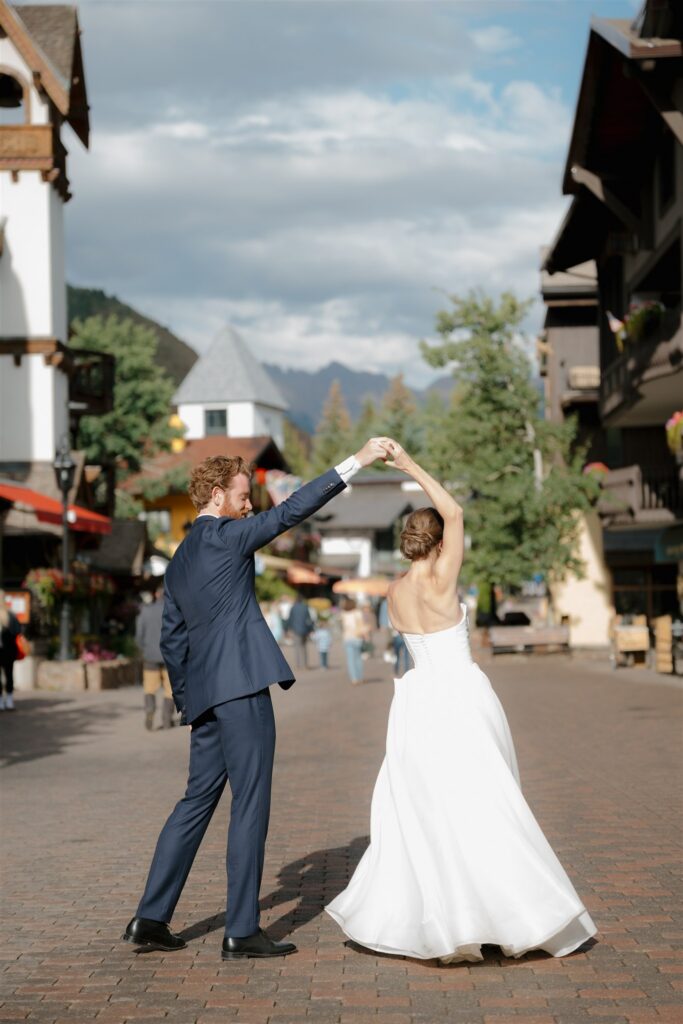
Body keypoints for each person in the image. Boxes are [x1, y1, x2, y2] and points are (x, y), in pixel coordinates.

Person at [326, 439, 596, 964]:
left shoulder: (394, 593)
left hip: (417, 701)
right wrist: (407, 464)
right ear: (439, 541)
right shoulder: (443, 579)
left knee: (432, 812)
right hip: (462, 695)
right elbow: (455, 509)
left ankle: (451, 920)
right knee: (488, 799)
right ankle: (509, 913)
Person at [123, 438, 391, 960]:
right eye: (245, 497)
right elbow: (292, 511)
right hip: (242, 689)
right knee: (249, 804)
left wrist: (191, 698)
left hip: (205, 698)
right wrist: (356, 460)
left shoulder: (178, 561)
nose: (251, 506)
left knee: (194, 803)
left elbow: (172, 641)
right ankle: (241, 929)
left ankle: (150, 918)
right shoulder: (229, 536)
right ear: (219, 496)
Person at [136, 584, 176, 731]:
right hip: (170, 657)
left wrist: (144, 649)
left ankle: (150, 710)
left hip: (150, 657)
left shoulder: (145, 611)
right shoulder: (173, 611)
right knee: (169, 688)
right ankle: (167, 718)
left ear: (156, 594)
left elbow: (139, 636)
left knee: (150, 687)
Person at [0, 591, 21, 712]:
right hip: (9, 650)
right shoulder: (11, 614)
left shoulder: (9, 614)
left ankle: (1, 701)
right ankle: (9, 700)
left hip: (5, 650)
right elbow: (17, 631)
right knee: (9, 674)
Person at [286, 595, 314, 669]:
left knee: (297, 648)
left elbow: (290, 619)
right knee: (304, 648)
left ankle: (298, 665)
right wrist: (311, 629)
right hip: (305, 630)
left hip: (296, 630)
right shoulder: (305, 607)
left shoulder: (293, 608)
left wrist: (288, 629)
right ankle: (305, 664)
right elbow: (309, 619)